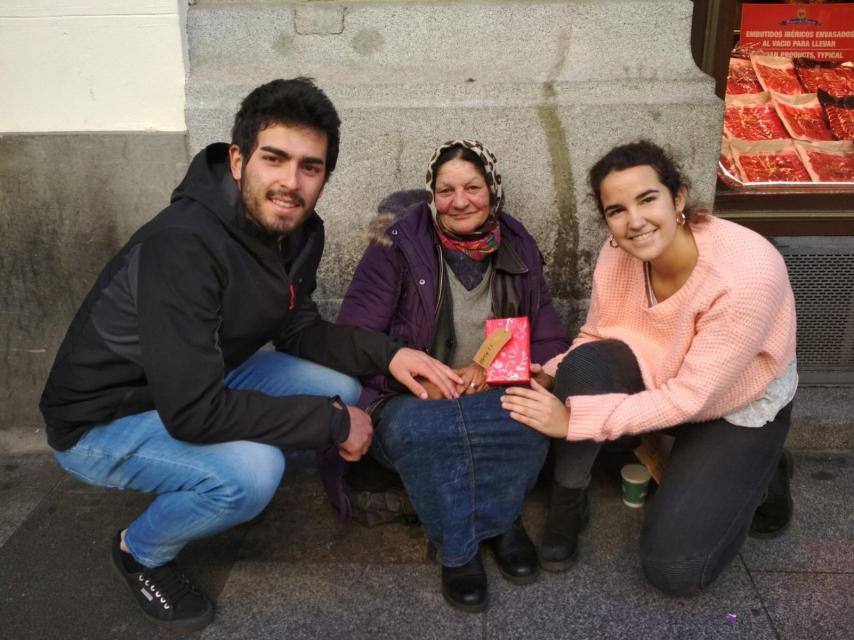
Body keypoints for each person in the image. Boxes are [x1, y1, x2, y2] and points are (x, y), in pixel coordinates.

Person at [39, 78, 461, 633]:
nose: (291, 182)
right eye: (274, 159)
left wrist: (392, 353)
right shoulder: (184, 244)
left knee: (342, 381)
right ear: (238, 160)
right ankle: (139, 551)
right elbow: (191, 411)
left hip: (199, 377)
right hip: (104, 419)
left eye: (311, 167)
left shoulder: (297, 231)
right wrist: (331, 424)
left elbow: (298, 327)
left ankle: (306, 460)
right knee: (253, 471)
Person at [501, 140, 797, 596]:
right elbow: (600, 335)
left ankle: (764, 463)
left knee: (677, 570)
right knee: (579, 366)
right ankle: (568, 501)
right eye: (616, 210)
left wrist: (571, 422)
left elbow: (692, 397)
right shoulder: (618, 253)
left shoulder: (745, 275)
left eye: (646, 199)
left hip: (736, 401)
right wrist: (553, 371)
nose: (634, 222)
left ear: (677, 198)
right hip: (665, 375)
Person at [337, 139, 569, 612]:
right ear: (431, 194)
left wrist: (534, 372)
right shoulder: (397, 245)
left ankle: (497, 521)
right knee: (432, 429)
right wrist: (409, 368)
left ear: (493, 189)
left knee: (529, 417)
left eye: (472, 187)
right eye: (446, 190)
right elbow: (353, 335)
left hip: (491, 390)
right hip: (410, 399)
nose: (459, 201)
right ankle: (465, 547)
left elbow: (547, 340)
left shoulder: (518, 244)